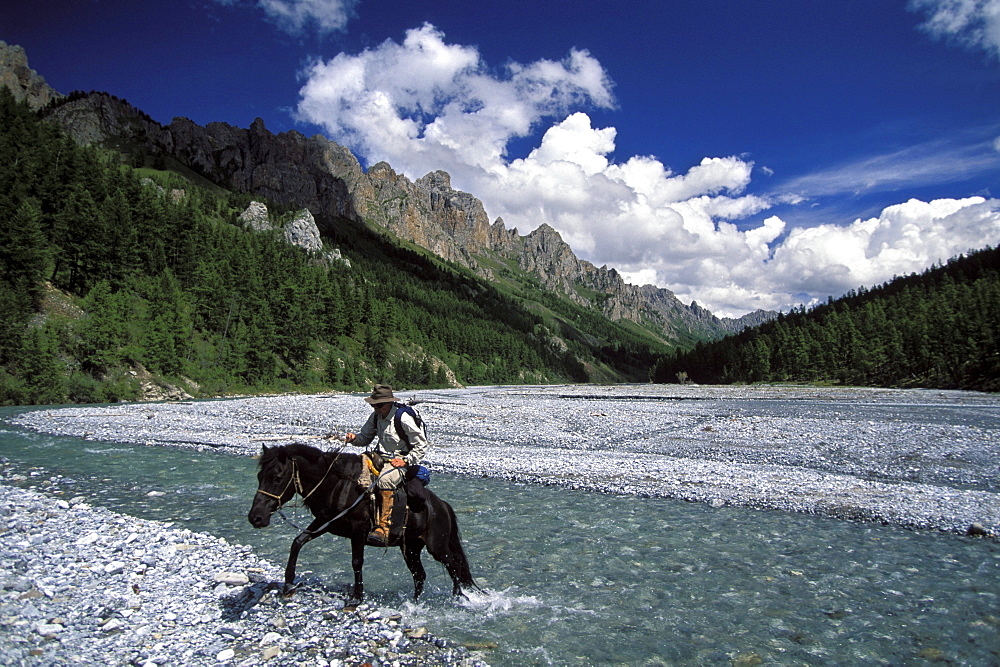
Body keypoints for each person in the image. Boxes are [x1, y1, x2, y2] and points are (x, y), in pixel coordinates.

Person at [344, 384, 429, 546]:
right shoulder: (376, 416)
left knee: (385, 480)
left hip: (401, 460)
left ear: (389, 403)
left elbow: (421, 444)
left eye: (379, 405)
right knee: (356, 469)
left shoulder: (402, 418)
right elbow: (365, 437)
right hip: (379, 456)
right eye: (373, 405)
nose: (376, 408)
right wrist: (354, 438)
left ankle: (383, 527)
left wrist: (406, 460)